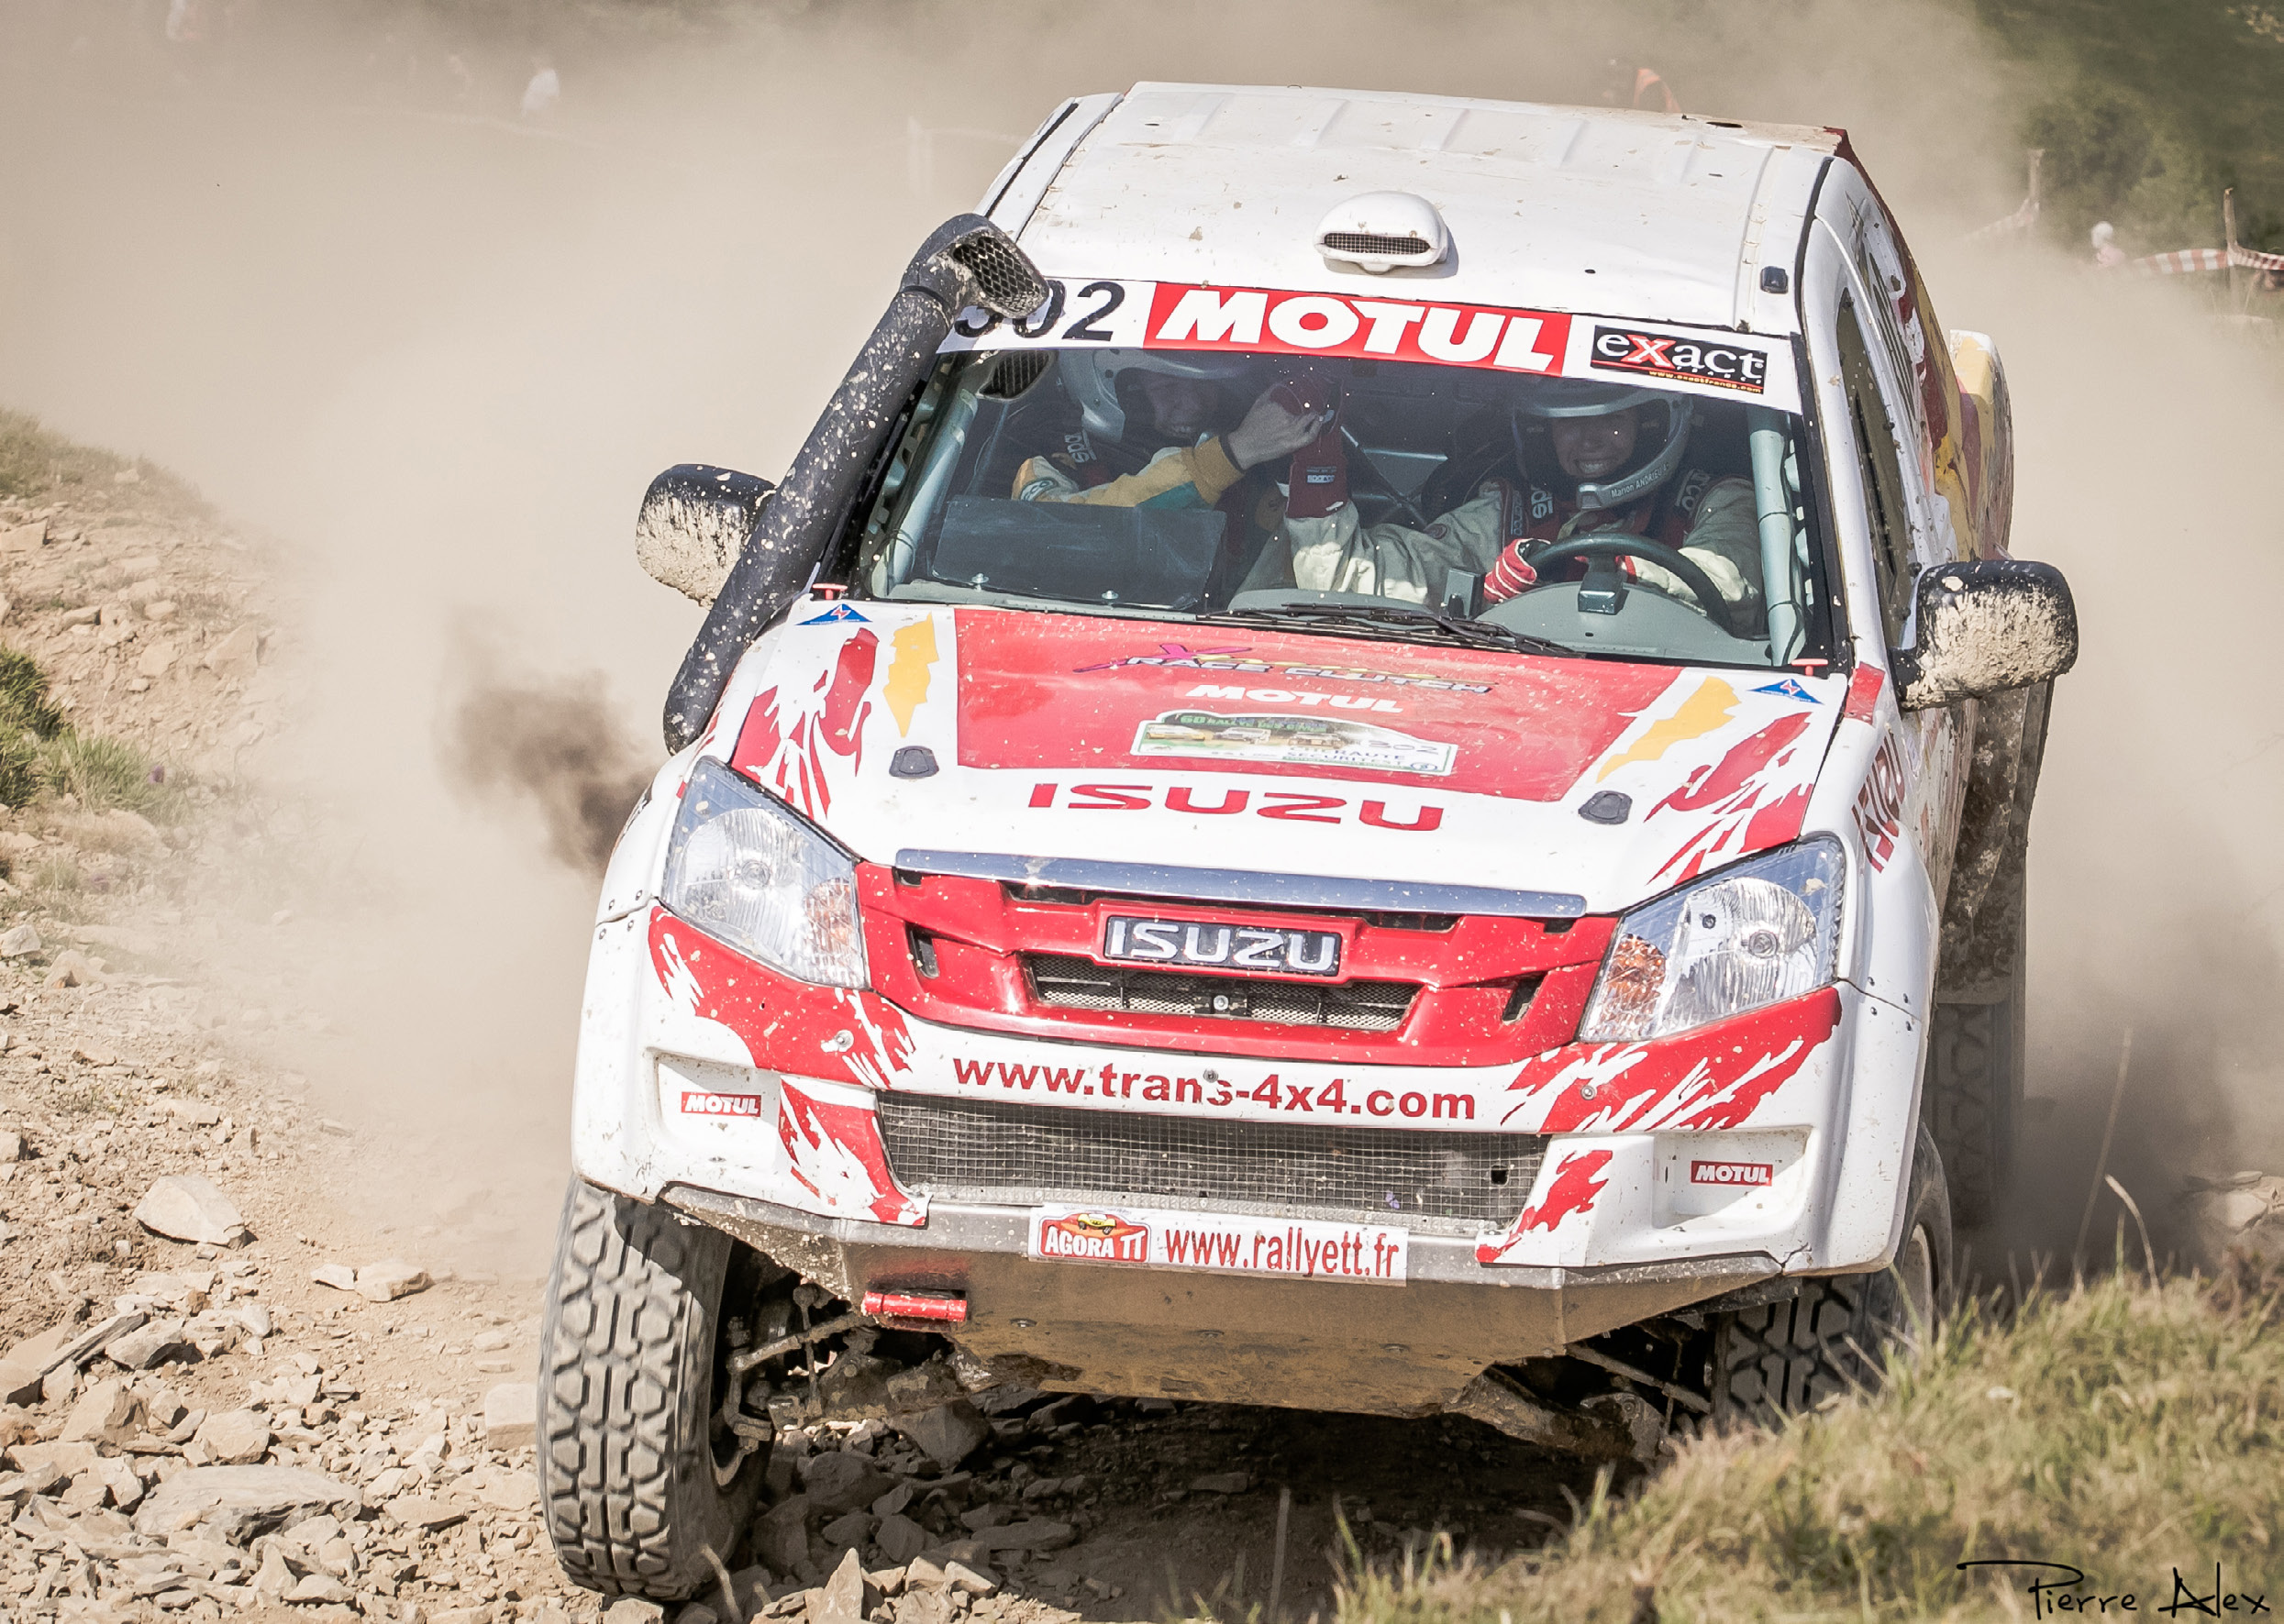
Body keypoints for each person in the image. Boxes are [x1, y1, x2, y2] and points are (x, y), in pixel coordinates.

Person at [1278, 379, 1763, 625]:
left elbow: (1734, 588)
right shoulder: (1510, 510)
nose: (1589, 440)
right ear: (1544, 432)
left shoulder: (1713, 498)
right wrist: (1316, 463)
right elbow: (1349, 582)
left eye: (1611, 420)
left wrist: (1595, 570)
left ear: (1651, 424)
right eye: (1569, 423)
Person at [1008, 352, 1326, 513]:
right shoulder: (1045, 463)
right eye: (1167, 385)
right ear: (1120, 390)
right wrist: (1233, 454)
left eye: (1205, 386)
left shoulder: (1265, 457)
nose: (1191, 405)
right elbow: (1066, 530)